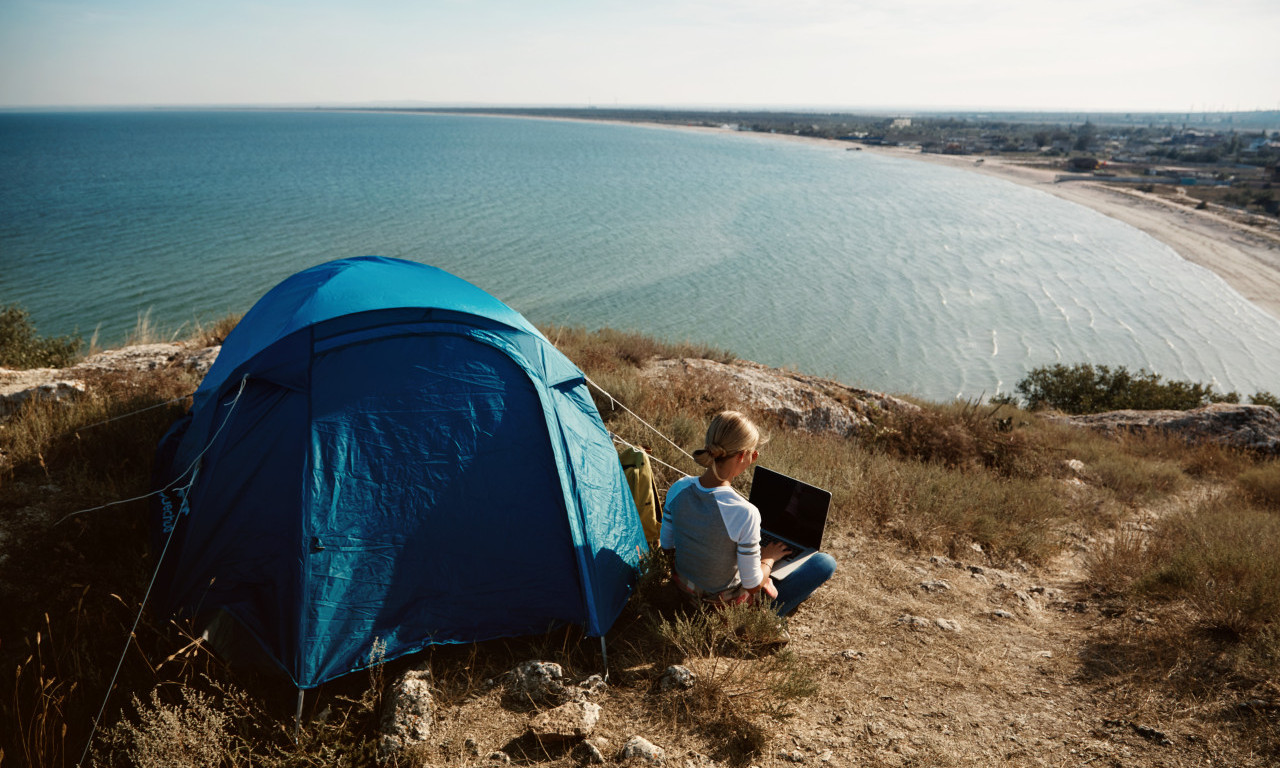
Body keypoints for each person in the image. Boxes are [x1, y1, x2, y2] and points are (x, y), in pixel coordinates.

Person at [659, 410, 836, 616]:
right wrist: (768, 558)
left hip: (685, 593)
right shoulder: (744, 512)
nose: (754, 457)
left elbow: (667, 547)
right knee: (824, 563)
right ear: (743, 455)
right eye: (753, 453)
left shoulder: (678, 488)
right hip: (723, 611)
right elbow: (752, 585)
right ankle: (774, 611)